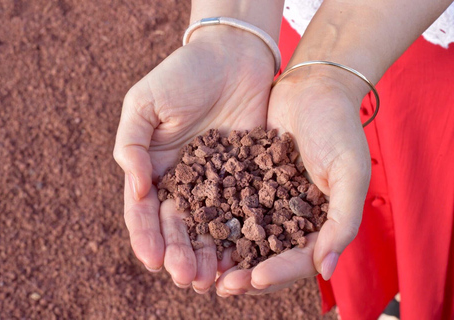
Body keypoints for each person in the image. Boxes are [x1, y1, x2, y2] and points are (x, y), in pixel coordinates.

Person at [113, 1, 454, 319]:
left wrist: (328, 74)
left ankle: (418, 298)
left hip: (429, 58)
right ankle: (388, 294)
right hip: (293, 48)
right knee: (338, 198)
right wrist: (231, 31)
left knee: (425, 200)